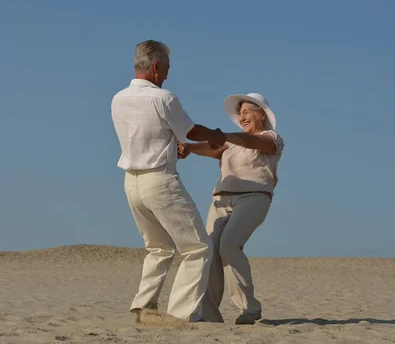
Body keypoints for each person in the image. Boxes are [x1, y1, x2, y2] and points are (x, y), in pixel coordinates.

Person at [111, 40, 225, 322]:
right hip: (159, 180)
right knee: (198, 246)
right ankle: (181, 314)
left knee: (158, 247)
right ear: (155, 66)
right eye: (165, 69)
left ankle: (143, 307)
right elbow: (191, 130)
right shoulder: (163, 98)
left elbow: (147, 133)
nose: (166, 76)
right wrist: (216, 134)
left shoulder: (118, 98)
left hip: (131, 182)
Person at [180, 93, 284, 325]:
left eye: (247, 111)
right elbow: (212, 148)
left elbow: (251, 142)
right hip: (221, 200)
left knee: (229, 244)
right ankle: (209, 314)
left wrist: (222, 135)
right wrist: (189, 148)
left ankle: (249, 308)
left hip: (254, 197)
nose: (242, 116)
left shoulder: (271, 138)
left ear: (262, 115)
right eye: (240, 113)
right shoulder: (230, 143)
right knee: (210, 251)